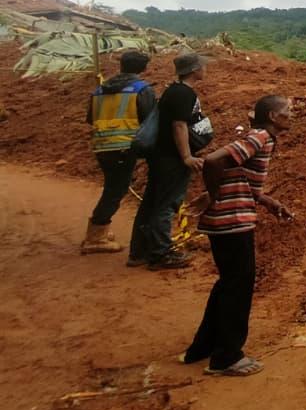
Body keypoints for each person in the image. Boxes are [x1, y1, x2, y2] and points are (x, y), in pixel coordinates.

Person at [183, 95, 294, 377]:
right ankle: (227, 357)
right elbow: (213, 160)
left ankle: (203, 347)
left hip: (228, 219)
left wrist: (269, 202)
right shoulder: (259, 137)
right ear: (272, 116)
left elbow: (241, 176)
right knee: (238, 288)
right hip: (232, 221)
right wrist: (214, 195)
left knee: (228, 284)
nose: (291, 115)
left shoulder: (262, 138)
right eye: (287, 111)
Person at [128, 52, 214, 270]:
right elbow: (179, 125)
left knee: (151, 203)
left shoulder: (174, 91)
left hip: (162, 156)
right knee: (166, 204)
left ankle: (140, 252)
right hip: (172, 159)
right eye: (202, 66)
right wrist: (186, 156)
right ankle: (160, 254)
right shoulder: (183, 93)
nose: (205, 69)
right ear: (194, 70)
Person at [81, 50, 156, 254]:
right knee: (115, 191)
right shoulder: (142, 89)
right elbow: (151, 121)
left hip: (102, 145)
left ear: (121, 65)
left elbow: (90, 118)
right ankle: (95, 235)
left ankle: (99, 230)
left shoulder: (99, 90)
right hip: (124, 146)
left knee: (112, 187)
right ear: (143, 68)